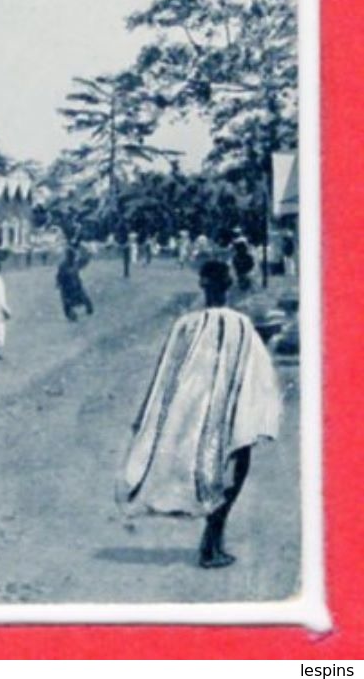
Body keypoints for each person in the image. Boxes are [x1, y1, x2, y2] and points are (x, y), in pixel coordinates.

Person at [117, 262, 283, 568]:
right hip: (231, 411)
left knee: (201, 469)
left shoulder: (187, 324)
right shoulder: (241, 325)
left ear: (201, 285)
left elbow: (165, 372)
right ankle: (212, 540)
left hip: (193, 412)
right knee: (234, 469)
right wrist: (259, 414)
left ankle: (211, 541)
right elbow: (258, 373)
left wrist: (148, 413)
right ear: (229, 284)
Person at [55, 241, 94, 322]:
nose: (71, 257)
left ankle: (88, 309)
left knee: (84, 299)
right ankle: (71, 315)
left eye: (72, 255)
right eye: (70, 255)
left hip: (76, 286)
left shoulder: (74, 263)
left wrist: (88, 255)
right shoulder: (63, 265)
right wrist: (58, 283)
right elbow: (59, 276)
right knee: (67, 303)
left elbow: (83, 262)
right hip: (67, 287)